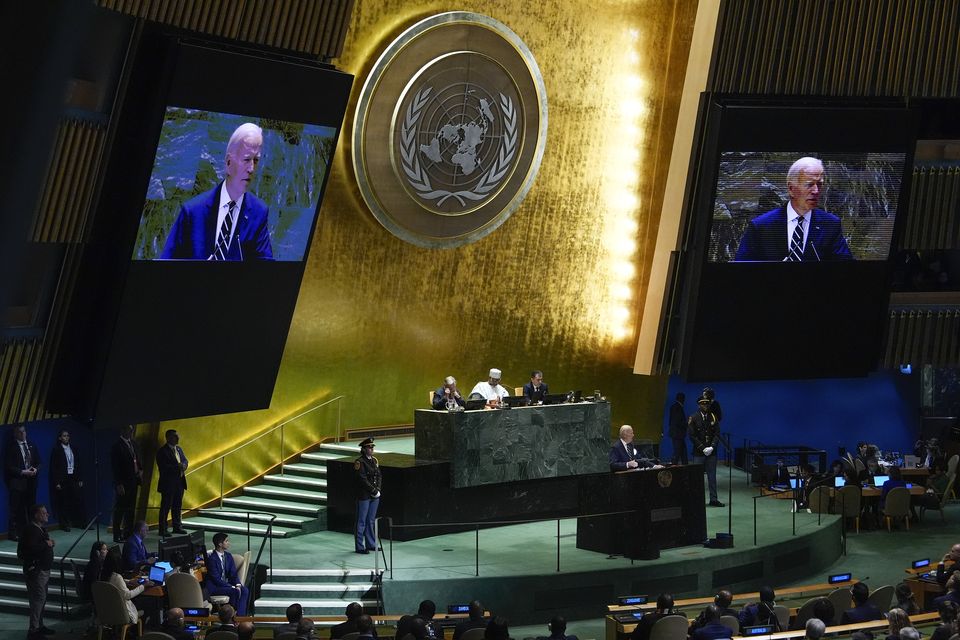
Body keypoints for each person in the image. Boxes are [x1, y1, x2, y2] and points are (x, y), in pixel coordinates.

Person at [160, 122, 273, 261]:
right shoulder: (192, 212)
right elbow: (166, 267)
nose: (251, 168)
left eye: (256, 161)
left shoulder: (258, 213)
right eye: (246, 159)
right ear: (228, 163)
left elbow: (265, 271)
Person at [733, 157, 853, 262]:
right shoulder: (762, 226)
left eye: (819, 184)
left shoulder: (831, 225)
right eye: (809, 184)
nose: (816, 191)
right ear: (791, 189)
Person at [20, 504, 54, 639]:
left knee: (41, 599)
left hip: (43, 570)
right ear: (36, 515)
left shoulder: (40, 529)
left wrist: (49, 543)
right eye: (44, 513)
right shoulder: (31, 530)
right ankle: (33, 630)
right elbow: (31, 549)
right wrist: (46, 544)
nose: (47, 515)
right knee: (38, 600)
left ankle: (39, 625)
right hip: (36, 571)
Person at [5, 424, 40, 541]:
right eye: (20, 432)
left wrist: (36, 469)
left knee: (31, 508)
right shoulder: (11, 447)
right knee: (16, 510)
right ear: (15, 434)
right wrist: (23, 472)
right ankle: (13, 533)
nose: (23, 434)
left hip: (31, 483)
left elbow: (39, 462)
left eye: (24, 431)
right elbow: (9, 467)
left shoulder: (32, 445)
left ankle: (31, 531)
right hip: (17, 483)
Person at [689, 396, 723, 507]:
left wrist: (712, 447)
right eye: (703, 404)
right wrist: (702, 448)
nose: (705, 406)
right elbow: (692, 436)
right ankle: (697, 500)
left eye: (707, 404)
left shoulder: (713, 417)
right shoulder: (693, 417)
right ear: (699, 405)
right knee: (697, 478)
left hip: (711, 452)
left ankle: (713, 499)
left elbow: (717, 434)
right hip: (699, 452)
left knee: (712, 477)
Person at [111, 425, 143, 543]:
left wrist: (140, 469)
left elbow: (138, 459)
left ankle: (128, 534)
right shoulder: (117, 446)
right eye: (128, 429)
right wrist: (118, 484)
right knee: (120, 510)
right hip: (123, 483)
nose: (130, 432)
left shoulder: (134, 444)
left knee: (130, 510)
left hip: (134, 481)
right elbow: (115, 468)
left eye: (131, 430)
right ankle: (117, 535)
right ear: (122, 430)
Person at [103, 551, 153, 624]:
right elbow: (128, 595)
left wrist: (128, 582)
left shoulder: (104, 574)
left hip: (109, 608)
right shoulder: (117, 577)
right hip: (122, 611)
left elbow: (115, 582)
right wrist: (144, 586)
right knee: (149, 603)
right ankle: (137, 632)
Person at [49, 429, 84, 532]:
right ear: (60, 438)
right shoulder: (56, 449)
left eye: (68, 436)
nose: (66, 437)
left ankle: (79, 522)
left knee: (77, 500)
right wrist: (57, 482)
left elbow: (78, 464)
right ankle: (64, 524)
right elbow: (54, 468)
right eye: (64, 436)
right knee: (63, 503)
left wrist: (80, 478)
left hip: (73, 478)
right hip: (62, 479)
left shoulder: (73, 448)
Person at [206, 532, 249, 615]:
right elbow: (216, 580)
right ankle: (231, 616)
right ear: (220, 544)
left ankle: (240, 617)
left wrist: (238, 584)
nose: (228, 543)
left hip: (226, 585)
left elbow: (233, 574)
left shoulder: (228, 556)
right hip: (216, 587)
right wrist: (231, 586)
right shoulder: (211, 559)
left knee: (244, 590)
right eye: (226, 541)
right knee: (234, 591)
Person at [156, 429, 188, 537]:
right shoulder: (162, 451)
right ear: (168, 438)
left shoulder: (178, 449)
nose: (178, 438)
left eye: (177, 436)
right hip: (168, 483)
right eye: (175, 436)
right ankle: (163, 529)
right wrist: (177, 466)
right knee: (165, 506)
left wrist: (184, 465)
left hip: (179, 482)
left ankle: (177, 526)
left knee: (177, 505)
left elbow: (185, 460)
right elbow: (163, 467)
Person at [355, 438, 381, 554]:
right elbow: (362, 479)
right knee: (361, 521)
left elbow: (379, 475)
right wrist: (373, 491)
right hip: (364, 495)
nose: (372, 449)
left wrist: (378, 489)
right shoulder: (359, 462)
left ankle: (370, 544)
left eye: (372, 447)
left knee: (370, 520)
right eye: (369, 447)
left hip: (374, 495)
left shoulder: (374, 461)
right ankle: (360, 546)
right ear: (364, 449)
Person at [667, 392, 688, 465]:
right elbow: (678, 421)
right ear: (683, 399)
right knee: (677, 452)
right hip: (678, 434)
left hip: (676, 433)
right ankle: (674, 466)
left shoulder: (673, 406)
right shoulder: (678, 407)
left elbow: (671, 421)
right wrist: (687, 423)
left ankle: (682, 465)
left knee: (681, 451)